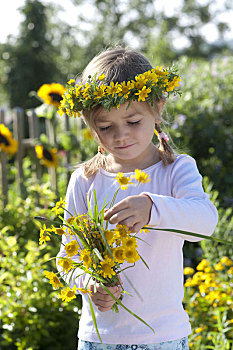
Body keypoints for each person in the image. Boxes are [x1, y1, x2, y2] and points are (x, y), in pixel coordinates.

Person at [57, 47, 218, 350]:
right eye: (106, 127)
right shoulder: (85, 180)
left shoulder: (175, 170)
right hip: (98, 338)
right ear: (91, 126)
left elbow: (205, 221)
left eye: (133, 122)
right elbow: (68, 258)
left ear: (157, 108)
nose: (121, 136)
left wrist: (153, 208)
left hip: (163, 337)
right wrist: (89, 283)